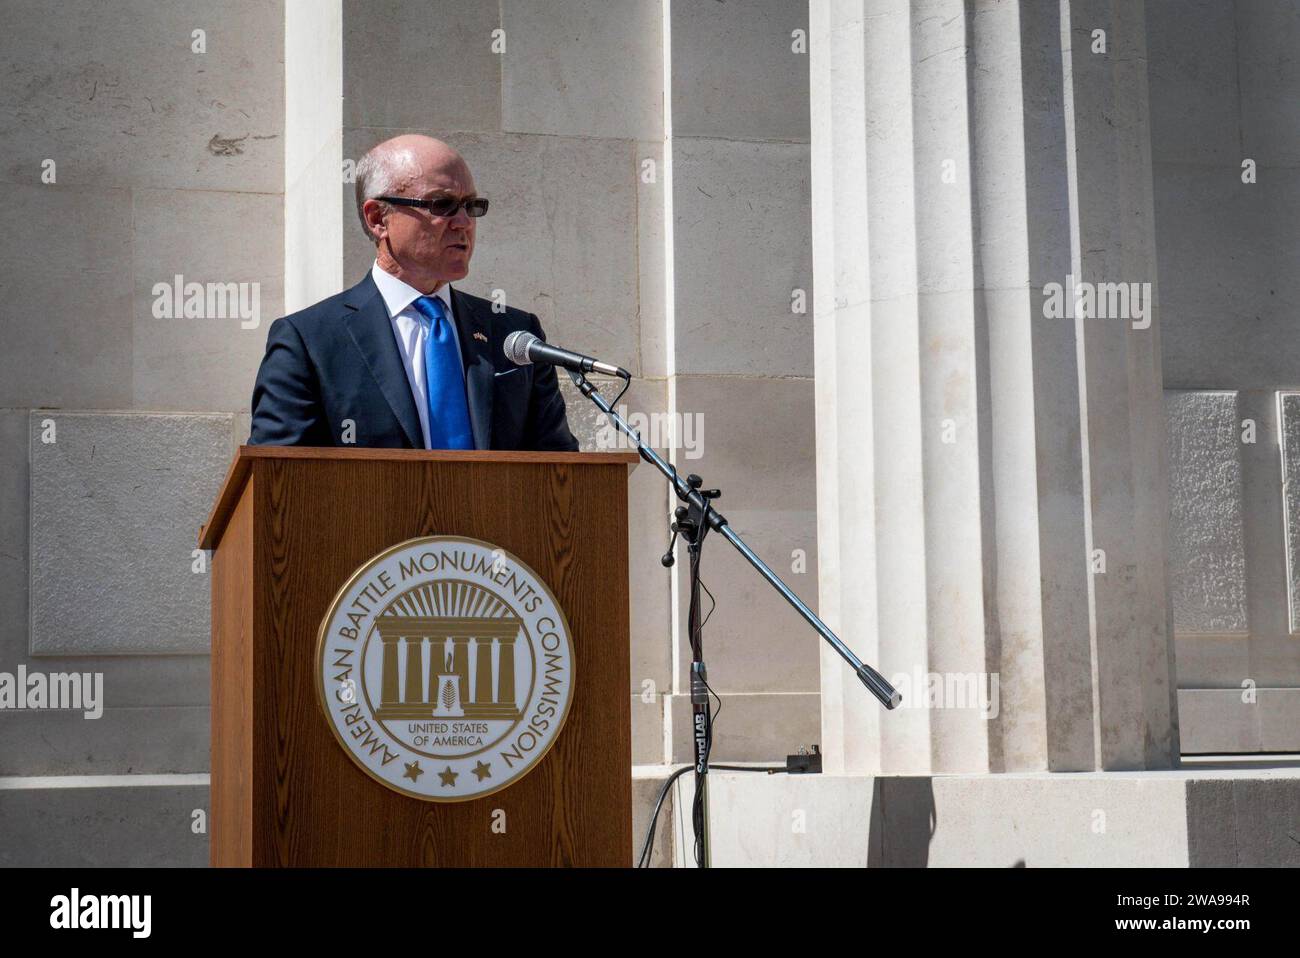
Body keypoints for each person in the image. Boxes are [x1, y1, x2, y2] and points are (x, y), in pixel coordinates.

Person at [249, 134, 578, 451]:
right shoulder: (309, 341)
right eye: (443, 205)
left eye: (471, 206)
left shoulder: (514, 337)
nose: (463, 222)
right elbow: (278, 481)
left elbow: (559, 471)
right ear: (379, 218)